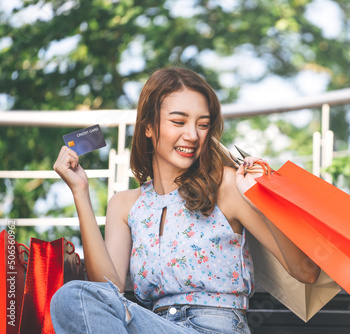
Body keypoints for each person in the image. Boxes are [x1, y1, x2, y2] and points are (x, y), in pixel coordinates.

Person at [50, 67, 320, 334]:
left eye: (203, 124)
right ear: (148, 128)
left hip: (216, 327)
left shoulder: (227, 185)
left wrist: (260, 199)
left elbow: (306, 272)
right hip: (153, 325)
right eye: (179, 122)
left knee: (73, 296)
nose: (192, 135)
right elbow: (108, 292)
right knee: (71, 298)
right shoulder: (125, 205)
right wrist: (80, 192)